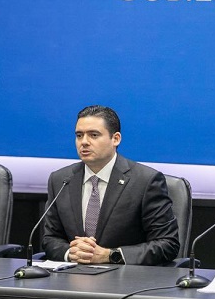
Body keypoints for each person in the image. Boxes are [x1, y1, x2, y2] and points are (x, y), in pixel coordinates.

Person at [42, 105, 180, 266]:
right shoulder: (60, 180)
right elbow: (50, 238)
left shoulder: (145, 181)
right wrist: (71, 253)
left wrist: (111, 255)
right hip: (71, 277)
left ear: (116, 139)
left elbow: (167, 244)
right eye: (79, 135)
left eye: (94, 135)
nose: (84, 142)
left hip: (124, 281)